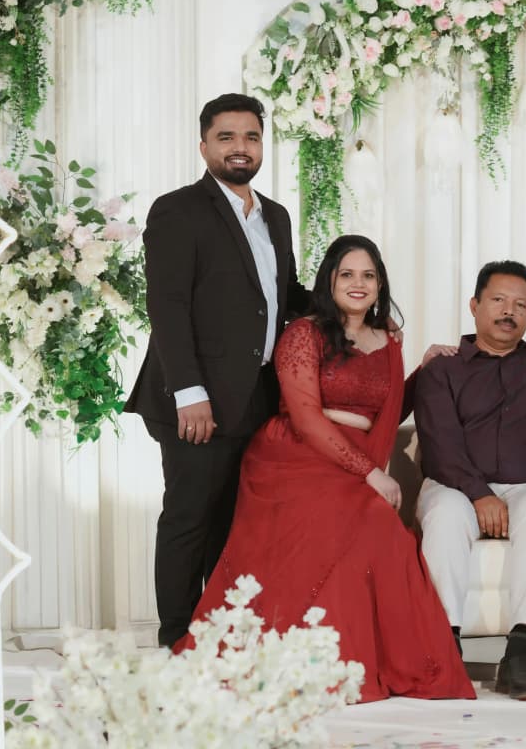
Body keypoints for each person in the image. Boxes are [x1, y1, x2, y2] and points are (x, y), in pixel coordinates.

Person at [176, 235, 474, 702]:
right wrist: (370, 473)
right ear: (329, 280)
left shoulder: (388, 338)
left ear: (380, 284)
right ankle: (319, 663)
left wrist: (424, 370)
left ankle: (366, 663)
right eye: (347, 274)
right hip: (294, 457)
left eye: (368, 275)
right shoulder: (304, 333)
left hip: (352, 459)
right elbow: (305, 417)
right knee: (367, 517)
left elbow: (387, 412)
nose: (359, 283)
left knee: (382, 528)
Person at [125, 93, 309, 648]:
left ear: (263, 145)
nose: (239, 147)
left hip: (257, 396)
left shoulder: (275, 216)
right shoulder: (177, 210)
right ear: (204, 145)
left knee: (233, 525)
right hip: (195, 399)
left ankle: (219, 636)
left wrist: (361, 313)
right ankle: (176, 640)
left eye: (251, 136)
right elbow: (168, 306)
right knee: (189, 519)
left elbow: (284, 296)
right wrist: (190, 392)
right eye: (226, 137)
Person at [414, 261, 526, 701]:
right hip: (453, 484)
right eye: (498, 300)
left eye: (520, 305)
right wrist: (480, 495)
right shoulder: (443, 368)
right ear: (474, 305)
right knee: (446, 516)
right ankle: (443, 650)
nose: (509, 312)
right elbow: (440, 446)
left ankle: (519, 654)